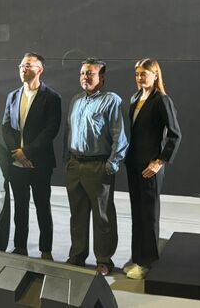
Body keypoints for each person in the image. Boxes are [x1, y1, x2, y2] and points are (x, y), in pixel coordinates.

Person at [64, 58, 128, 275]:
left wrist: (111, 165)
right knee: (77, 215)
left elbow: (120, 136)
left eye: (90, 73)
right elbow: (69, 131)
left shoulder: (111, 101)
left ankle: (104, 260)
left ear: (101, 78)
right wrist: (68, 160)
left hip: (98, 166)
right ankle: (77, 256)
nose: (85, 77)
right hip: (75, 165)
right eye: (82, 73)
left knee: (102, 216)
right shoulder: (76, 100)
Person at [124, 58, 181, 279]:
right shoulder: (135, 98)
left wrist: (159, 161)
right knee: (137, 213)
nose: (139, 77)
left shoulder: (162, 100)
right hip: (133, 164)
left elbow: (175, 135)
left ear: (155, 75)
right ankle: (136, 257)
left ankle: (147, 262)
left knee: (149, 215)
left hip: (150, 166)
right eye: (137, 74)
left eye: (144, 74)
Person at [2, 52, 62, 260]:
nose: (23, 69)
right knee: (20, 207)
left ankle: (46, 250)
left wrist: (27, 152)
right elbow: (5, 127)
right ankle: (20, 247)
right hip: (16, 163)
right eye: (21, 66)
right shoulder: (13, 96)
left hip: (40, 163)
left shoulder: (51, 98)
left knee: (42, 207)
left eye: (28, 65)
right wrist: (17, 154)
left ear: (40, 70)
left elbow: (51, 130)